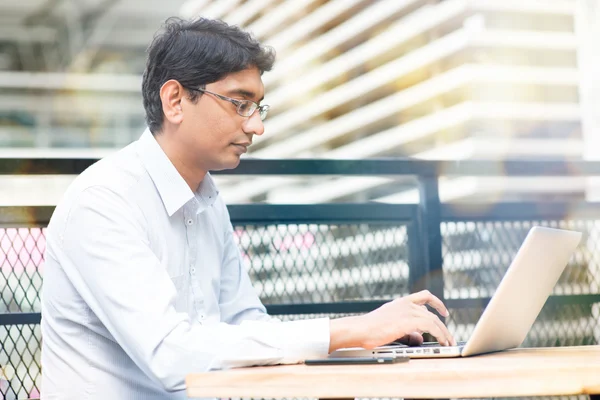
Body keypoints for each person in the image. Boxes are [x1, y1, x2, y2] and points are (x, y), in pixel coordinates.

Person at [40, 17, 456, 400]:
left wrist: (369, 336)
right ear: (175, 101)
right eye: (240, 103)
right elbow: (170, 356)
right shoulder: (103, 201)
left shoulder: (207, 198)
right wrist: (348, 330)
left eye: (259, 107)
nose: (257, 126)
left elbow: (246, 325)